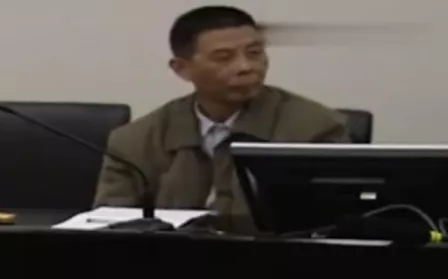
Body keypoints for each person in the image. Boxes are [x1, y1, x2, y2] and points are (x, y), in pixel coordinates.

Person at [94, 6, 350, 217]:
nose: (245, 67)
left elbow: (334, 223)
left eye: (254, 53)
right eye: (223, 57)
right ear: (182, 68)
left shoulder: (316, 129)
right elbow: (109, 226)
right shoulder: (135, 141)